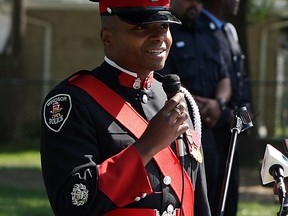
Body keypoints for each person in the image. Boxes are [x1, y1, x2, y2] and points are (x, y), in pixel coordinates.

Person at [40, 0, 212, 215]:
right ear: (107, 38)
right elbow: (72, 200)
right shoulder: (74, 101)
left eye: (163, 26)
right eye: (141, 28)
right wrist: (146, 147)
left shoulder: (175, 97)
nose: (158, 36)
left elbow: (196, 197)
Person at [158, 0, 232, 215]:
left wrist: (218, 104)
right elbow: (162, 81)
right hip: (176, 126)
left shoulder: (211, 34)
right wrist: (197, 105)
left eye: (199, 0)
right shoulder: (165, 32)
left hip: (209, 125)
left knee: (215, 192)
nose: (195, 4)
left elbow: (225, 77)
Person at [201, 0, 251, 215]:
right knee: (213, 200)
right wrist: (221, 111)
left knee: (229, 200)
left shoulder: (228, 30)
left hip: (232, 127)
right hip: (210, 127)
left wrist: (245, 116)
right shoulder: (198, 28)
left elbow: (239, 77)